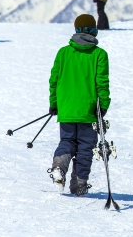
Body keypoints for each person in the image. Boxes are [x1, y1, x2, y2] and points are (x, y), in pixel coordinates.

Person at [47, 14, 110, 196]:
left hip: (66, 109)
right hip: (88, 111)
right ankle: (79, 185)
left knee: (67, 141)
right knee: (85, 147)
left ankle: (59, 167)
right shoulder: (99, 54)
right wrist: (103, 106)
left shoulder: (63, 53)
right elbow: (102, 84)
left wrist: (54, 103)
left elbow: (54, 80)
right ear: (94, 30)